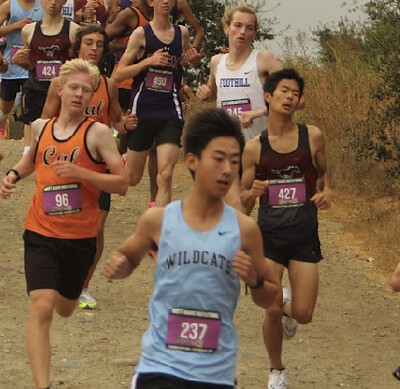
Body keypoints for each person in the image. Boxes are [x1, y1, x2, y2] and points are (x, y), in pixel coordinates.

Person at [104, 107, 278, 389]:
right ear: (192, 161)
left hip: (215, 373)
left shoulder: (245, 230)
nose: (226, 170)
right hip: (159, 366)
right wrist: (120, 265)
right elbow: (127, 256)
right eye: (218, 159)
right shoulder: (158, 221)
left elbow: (268, 295)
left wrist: (255, 280)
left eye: (234, 162)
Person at [0, 58, 128, 389]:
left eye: (86, 91)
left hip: (79, 238)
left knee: (66, 308)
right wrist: (14, 174)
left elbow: (122, 182)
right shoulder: (42, 127)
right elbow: (31, 159)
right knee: (41, 306)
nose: (79, 94)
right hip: (40, 231)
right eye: (74, 87)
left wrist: (83, 173)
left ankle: (69, 294)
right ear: (61, 88)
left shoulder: (98, 134)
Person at [240, 68, 333, 389]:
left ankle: (290, 311)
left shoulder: (313, 136)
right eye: (283, 91)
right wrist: (252, 192)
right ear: (267, 96)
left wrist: (326, 190)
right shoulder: (254, 148)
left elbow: (323, 174)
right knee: (269, 307)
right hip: (269, 237)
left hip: (304, 235)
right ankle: (276, 369)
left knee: (304, 313)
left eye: (295, 92)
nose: (289, 96)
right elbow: (242, 201)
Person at [41, 24, 137, 309]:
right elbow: (44, 121)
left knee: (96, 227)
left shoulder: (107, 85)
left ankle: (82, 286)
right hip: (65, 165)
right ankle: (56, 275)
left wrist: (126, 125)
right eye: (89, 43)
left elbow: (116, 119)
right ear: (78, 49)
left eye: (99, 44)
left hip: (98, 168)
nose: (94, 48)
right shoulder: (58, 82)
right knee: (59, 224)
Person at [113, 0, 201, 207]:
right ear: (151, 2)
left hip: (170, 109)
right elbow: (119, 74)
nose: (166, 2)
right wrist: (147, 62)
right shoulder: (141, 34)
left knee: (166, 174)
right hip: (143, 109)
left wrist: (194, 59)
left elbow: (188, 60)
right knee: (132, 179)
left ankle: (160, 222)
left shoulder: (182, 33)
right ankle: (118, 162)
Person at [196, 2, 282, 211]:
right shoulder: (217, 62)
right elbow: (214, 95)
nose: (242, 32)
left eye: (249, 28)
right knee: (236, 210)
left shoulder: (263, 60)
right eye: (238, 25)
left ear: (254, 34)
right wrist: (204, 95)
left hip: (264, 146)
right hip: (231, 149)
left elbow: (297, 99)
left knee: (268, 214)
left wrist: (260, 111)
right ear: (226, 28)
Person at [11, 0, 80, 154]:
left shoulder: (74, 30)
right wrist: (16, 61)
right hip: (35, 89)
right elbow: (30, 63)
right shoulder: (29, 30)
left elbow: (79, 63)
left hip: (63, 92)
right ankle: (28, 155)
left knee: (62, 133)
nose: (53, 3)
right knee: (32, 128)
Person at [0, 0, 43, 148]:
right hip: (11, 65)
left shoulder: (43, 5)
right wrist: (17, 25)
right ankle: (3, 124)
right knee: (6, 107)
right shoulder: (9, 5)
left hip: (32, 65)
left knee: (29, 106)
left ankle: (28, 148)